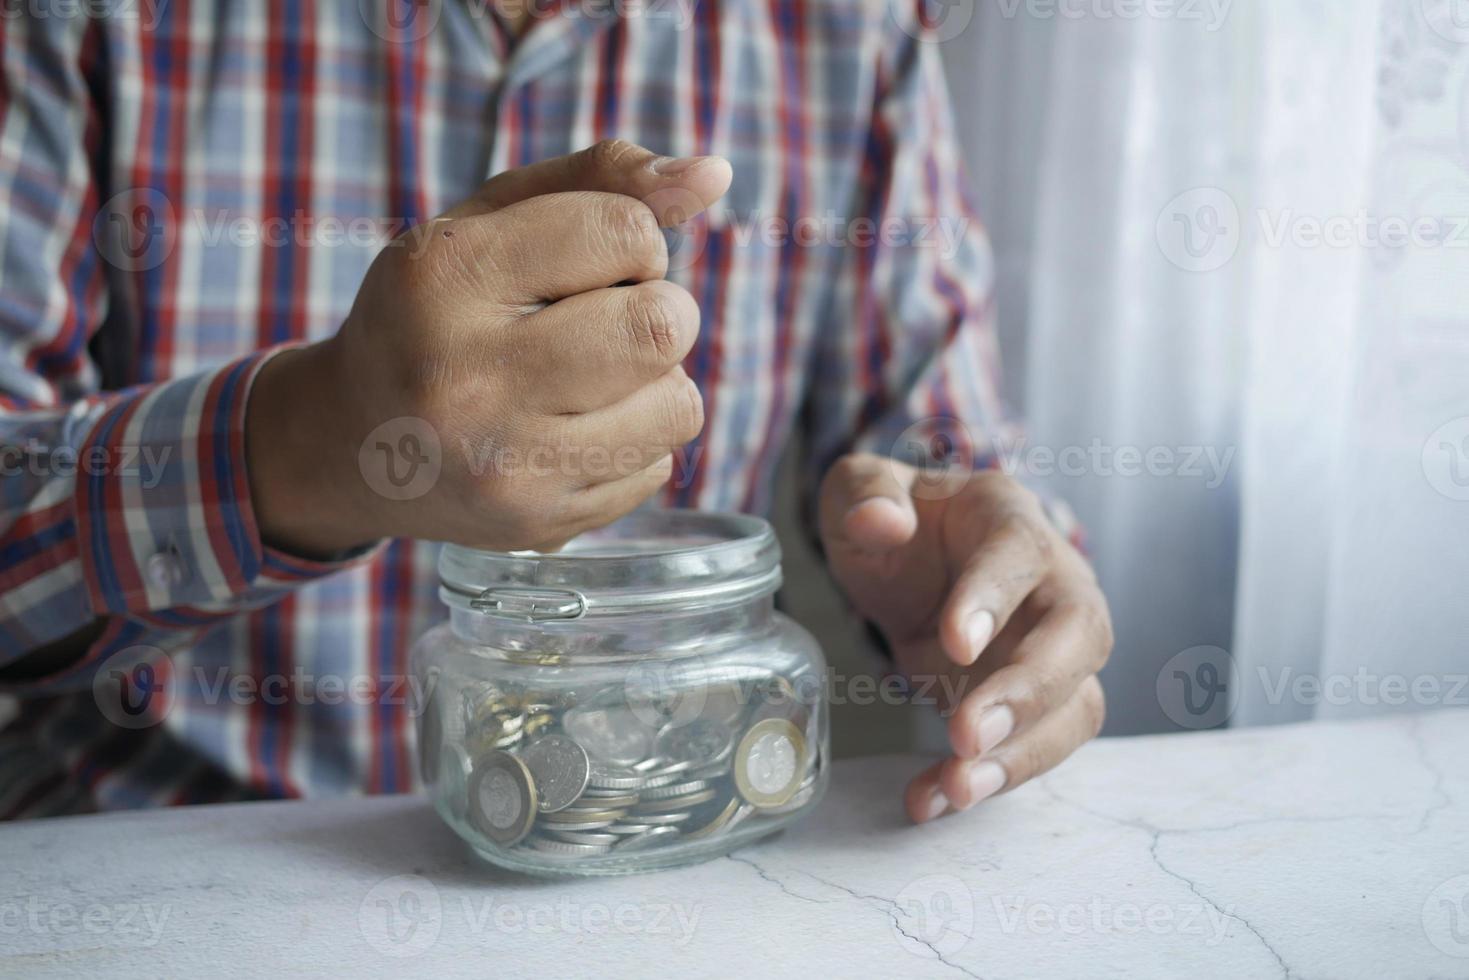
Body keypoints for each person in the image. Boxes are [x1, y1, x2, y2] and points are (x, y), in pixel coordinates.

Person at [0, 0, 1110, 824]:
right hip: (158, 853)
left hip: (647, 851)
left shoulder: (856, 34)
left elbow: (944, 455)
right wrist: (308, 444)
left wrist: (977, 573)